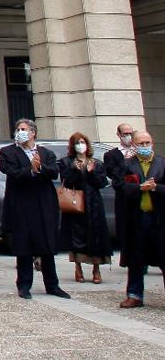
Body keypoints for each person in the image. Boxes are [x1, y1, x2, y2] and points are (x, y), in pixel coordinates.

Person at [0, 118, 69, 299]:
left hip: (43, 204)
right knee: (24, 246)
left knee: (46, 245)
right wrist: (30, 169)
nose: (20, 132)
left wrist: (40, 167)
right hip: (21, 203)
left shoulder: (46, 153)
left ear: (33, 133)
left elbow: (54, 171)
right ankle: (24, 285)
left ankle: (52, 285)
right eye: (18, 129)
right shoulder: (8, 152)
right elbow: (10, 171)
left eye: (24, 129)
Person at [118, 130, 164, 308]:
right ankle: (135, 294)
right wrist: (139, 188)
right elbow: (120, 186)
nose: (145, 146)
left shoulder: (162, 163)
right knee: (136, 257)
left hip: (159, 218)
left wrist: (155, 188)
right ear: (134, 146)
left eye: (147, 142)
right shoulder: (128, 164)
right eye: (141, 144)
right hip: (137, 218)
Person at [59, 131, 112, 285]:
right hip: (76, 202)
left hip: (94, 202)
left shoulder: (96, 162)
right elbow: (66, 181)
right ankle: (78, 267)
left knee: (96, 234)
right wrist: (75, 170)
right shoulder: (67, 162)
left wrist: (91, 172)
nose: (80, 145)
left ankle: (96, 269)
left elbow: (101, 183)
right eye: (77, 143)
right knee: (77, 235)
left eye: (82, 142)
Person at [106, 122, 137, 267]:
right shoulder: (111, 154)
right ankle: (131, 260)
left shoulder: (140, 150)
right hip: (124, 196)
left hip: (141, 194)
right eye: (125, 134)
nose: (129, 137)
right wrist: (126, 162)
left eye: (131, 133)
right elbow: (113, 175)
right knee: (126, 229)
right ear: (119, 135)